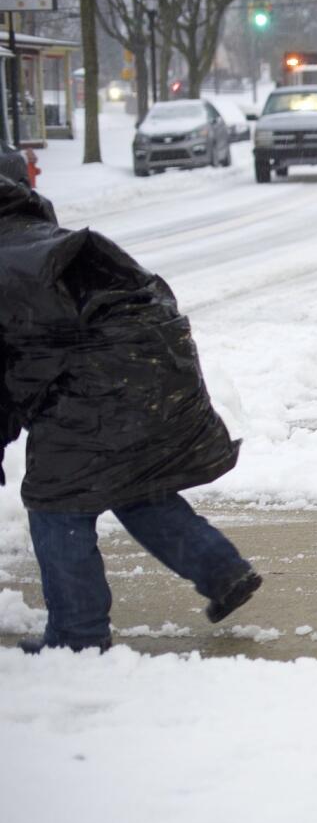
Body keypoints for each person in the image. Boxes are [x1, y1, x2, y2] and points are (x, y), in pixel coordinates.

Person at [0, 175, 262, 654]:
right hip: (162, 359)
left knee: (57, 502)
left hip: (103, 373)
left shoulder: (9, 256)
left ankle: (77, 638)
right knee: (134, 482)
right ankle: (221, 570)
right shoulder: (31, 239)